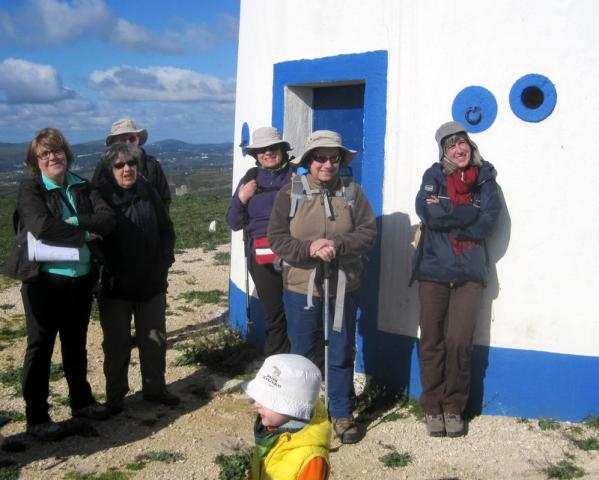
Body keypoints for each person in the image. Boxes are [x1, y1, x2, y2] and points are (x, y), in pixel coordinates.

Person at [268, 130, 376, 444]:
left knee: (341, 350)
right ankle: (304, 412)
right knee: (303, 353)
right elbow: (277, 238)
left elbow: (368, 233)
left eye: (334, 157)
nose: (327, 164)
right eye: (320, 157)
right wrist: (310, 249)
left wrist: (336, 244)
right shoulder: (290, 193)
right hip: (301, 288)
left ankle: (341, 413)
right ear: (309, 161)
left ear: (341, 160)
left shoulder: (353, 192)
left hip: (343, 286)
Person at [7, 128, 115, 440]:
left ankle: (81, 402)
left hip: (80, 280)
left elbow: (107, 219)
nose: (53, 157)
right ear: (35, 161)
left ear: (66, 154)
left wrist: (76, 221)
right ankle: (37, 417)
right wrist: (83, 235)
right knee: (40, 348)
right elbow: (40, 226)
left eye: (57, 151)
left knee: (75, 344)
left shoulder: (82, 185)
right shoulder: (31, 189)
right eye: (45, 154)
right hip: (44, 281)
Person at [411, 121, 502, 437]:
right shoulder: (432, 176)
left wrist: (452, 215)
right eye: (451, 146)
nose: (458, 150)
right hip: (434, 270)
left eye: (462, 143)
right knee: (432, 340)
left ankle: (453, 408)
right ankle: (432, 407)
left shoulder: (486, 180)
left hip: (469, 273)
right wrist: (465, 215)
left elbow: (489, 220)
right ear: (443, 151)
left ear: (470, 145)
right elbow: (427, 212)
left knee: (460, 343)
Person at [92, 143, 178, 412]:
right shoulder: (99, 197)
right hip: (115, 287)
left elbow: (166, 229)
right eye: (119, 165)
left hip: (151, 283)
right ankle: (116, 398)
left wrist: (165, 261)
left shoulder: (148, 191)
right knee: (116, 346)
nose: (127, 169)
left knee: (154, 341)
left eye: (131, 163)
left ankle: (155, 389)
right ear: (110, 169)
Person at [226, 127, 294, 356]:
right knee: (274, 314)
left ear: (282, 150)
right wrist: (242, 198)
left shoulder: (298, 175)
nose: (268, 153)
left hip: (295, 251)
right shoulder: (250, 179)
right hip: (262, 254)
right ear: (256, 155)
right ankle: (275, 366)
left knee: (299, 311)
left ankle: (302, 364)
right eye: (262, 150)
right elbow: (234, 221)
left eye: (273, 148)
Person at [243, 354, 330, 480]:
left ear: (293, 409)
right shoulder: (270, 431)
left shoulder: (311, 459)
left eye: (267, 400)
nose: (256, 404)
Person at [93, 118, 171, 210]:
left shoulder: (152, 164)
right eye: (122, 140)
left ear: (138, 140)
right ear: (114, 143)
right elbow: (97, 196)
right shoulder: (104, 167)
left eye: (132, 139)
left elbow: (164, 197)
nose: (128, 143)